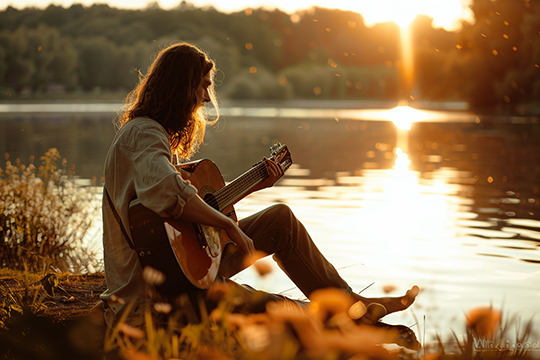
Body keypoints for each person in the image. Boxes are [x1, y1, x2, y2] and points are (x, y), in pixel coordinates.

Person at [100, 42, 419, 333]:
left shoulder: (153, 137)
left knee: (281, 219)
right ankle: (352, 319)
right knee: (280, 309)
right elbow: (168, 194)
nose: (206, 99)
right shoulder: (142, 134)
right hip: (153, 294)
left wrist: (254, 187)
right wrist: (229, 226)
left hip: (181, 271)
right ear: (181, 88)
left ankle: (350, 306)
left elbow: (178, 219)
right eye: (203, 87)